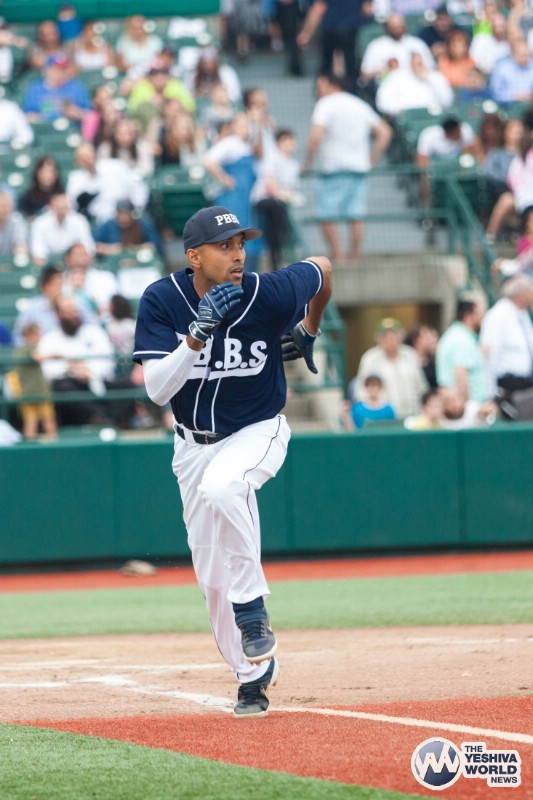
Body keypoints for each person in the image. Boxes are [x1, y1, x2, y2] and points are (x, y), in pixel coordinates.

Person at [133, 204, 332, 717]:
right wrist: (196, 336)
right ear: (194, 257)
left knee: (226, 485)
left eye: (241, 244)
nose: (238, 254)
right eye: (225, 246)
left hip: (257, 429)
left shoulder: (267, 292)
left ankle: (252, 610)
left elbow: (323, 269)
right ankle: (252, 675)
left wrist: (309, 327)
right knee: (210, 577)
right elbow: (157, 390)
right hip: (192, 446)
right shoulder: (162, 300)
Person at [302, 73, 392, 264]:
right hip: (359, 168)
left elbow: (315, 136)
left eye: (321, 85)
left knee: (325, 215)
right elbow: (385, 132)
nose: (318, 90)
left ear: (332, 85)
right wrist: (371, 161)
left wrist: (307, 163)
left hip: (334, 169)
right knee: (356, 216)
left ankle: (339, 258)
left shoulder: (325, 104)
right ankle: (354, 258)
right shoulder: (359, 104)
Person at [37, 294, 134, 427]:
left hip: (97, 382)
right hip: (71, 388)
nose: (74, 315)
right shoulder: (49, 339)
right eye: (68, 311)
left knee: (126, 385)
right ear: (58, 314)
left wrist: (88, 372)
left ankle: (106, 420)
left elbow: (107, 359)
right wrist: (71, 370)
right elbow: (47, 370)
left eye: (75, 311)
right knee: (63, 387)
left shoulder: (94, 332)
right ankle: (101, 419)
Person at [355, 317, 428, 419]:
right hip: (384, 417)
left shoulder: (410, 354)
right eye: (385, 336)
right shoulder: (370, 358)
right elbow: (361, 390)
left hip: (413, 415)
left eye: (394, 335)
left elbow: (421, 386)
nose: (390, 340)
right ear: (379, 339)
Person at [251, 128, 301, 270]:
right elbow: (271, 182)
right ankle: (277, 259)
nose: (290, 145)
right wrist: (281, 195)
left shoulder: (293, 164)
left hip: (279, 203)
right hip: (264, 199)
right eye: (286, 141)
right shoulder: (272, 159)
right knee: (276, 218)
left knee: (277, 223)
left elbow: (290, 188)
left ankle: (280, 257)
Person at [65, 142, 149, 225]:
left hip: (125, 217)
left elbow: (138, 188)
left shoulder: (116, 166)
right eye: (82, 157)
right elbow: (72, 205)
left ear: (95, 153)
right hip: (97, 223)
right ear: (77, 162)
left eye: (89, 154)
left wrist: (136, 210)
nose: (87, 158)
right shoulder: (75, 179)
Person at [297, 0, 374, 87]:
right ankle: (351, 89)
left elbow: (318, 7)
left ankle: (326, 88)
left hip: (331, 28)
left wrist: (306, 33)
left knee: (327, 66)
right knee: (351, 66)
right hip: (352, 29)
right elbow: (367, 9)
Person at [480, 274, 533, 400]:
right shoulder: (497, 316)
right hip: (507, 386)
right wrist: (491, 394)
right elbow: (490, 356)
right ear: (520, 295)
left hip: (527, 384)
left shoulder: (523, 315)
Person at [436, 297, 489, 403]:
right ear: (468, 316)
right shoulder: (461, 339)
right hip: (468, 405)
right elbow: (460, 374)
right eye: (479, 314)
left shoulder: (461, 335)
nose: (483, 318)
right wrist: (468, 406)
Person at [12, 322, 58, 440]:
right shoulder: (28, 349)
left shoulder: (20, 351)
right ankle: (51, 441)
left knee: (37, 419)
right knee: (41, 419)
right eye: (37, 334)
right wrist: (55, 355)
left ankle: (42, 440)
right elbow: (37, 358)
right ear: (28, 335)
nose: (40, 337)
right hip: (35, 392)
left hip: (29, 391)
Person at [375, 51, 453, 117]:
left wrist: (430, 80)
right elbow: (382, 102)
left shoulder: (436, 77)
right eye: (415, 62)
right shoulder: (396, 76)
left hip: (433, 117)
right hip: (406, 118)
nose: (418, 65)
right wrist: (398, 109)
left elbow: (448, 101)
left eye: (420, 62)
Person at [30, 191, 95, 266]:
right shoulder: (40, 223)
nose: (61, 209)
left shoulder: (79, 221)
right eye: (58, 206)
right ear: (51, 206)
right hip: (49, 265)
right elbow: (38, 250)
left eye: (64, 206)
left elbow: (88, 246)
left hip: (74, 263)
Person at [22, 53, 91, 123]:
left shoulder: (76, 86)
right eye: (57, 69)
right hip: (45, 127)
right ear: (47, 70)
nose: (61, 73)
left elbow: (89, 115)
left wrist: (77, 113)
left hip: (70, 126)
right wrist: (42, 118)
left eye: (64, 69)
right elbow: (28, 115)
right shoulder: (36, 88)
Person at [93, 199, 162, 256]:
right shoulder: (108, 225)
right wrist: (109, 249)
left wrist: (135, 248)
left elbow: (155, 245)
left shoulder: (142, 224)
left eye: (126, 214)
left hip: (139, 262)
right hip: (112, 263)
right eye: (120, 214)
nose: (123, 218)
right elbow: (93, 246)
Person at [489, 38, 533, 105]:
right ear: (513, 55)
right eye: (522, 55)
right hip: (508, 106)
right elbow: (495, 93)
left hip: (530, 105)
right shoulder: (502, 68)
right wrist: (514, 96)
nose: (525, 58)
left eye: (527, 55)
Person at [0, 192, 29, 257]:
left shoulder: (17, 220)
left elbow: (21, 243)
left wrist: (20, 250)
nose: (6, 209)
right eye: (2, 206)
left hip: (8, 260)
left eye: (8, 206)